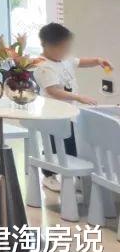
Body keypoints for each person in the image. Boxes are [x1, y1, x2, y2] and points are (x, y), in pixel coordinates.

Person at [34, 22, 111, 191]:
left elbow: (80, 62)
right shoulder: (43, 66)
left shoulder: (64, 59)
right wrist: (79, 97)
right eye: (62, 48)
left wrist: (98, 61)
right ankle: (49, 176)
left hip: (68, 114)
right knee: (52, 145)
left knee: (70, 145)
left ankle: (73, 176)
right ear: (47, 46)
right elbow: (53, 91)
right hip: (52, 114)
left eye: (67, 48)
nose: (66, 51)